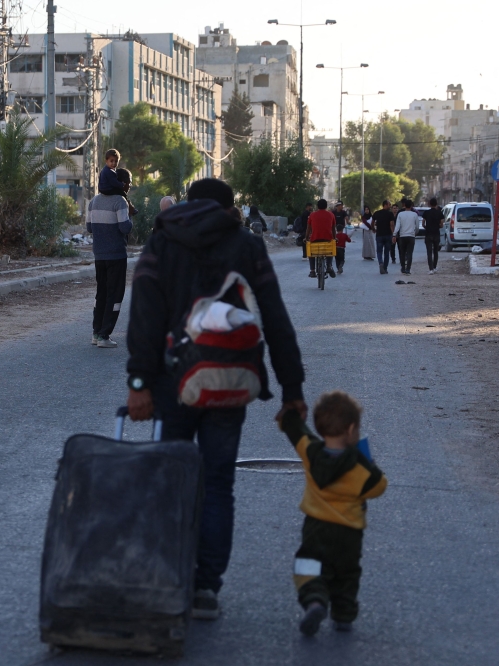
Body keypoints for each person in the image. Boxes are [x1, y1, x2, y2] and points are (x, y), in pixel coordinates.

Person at [126, 178, 307, 621]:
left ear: (189, 205)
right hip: (231, 381)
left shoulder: (161, 243)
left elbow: (145, 317)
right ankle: (206, 588)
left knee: (173, 478)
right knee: (219, 483)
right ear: (229, 209)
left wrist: (139, 384)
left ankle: (170, 575)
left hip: (173, 384)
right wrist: (292, 391)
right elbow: (276, 320)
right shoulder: (247, 246)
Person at [279, 391, 387, 636]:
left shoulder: (312, 452)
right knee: (347, 573)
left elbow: (298, 433)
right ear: (351, 430)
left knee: (308, 566)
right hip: (350, 533)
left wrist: (288, 416)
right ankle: (343, 615)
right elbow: (379, 486)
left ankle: (315, 601)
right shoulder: (360, 467)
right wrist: (367, 459)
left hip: (316, 527)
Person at [86, 168, 133, 348]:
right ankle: (105, 335)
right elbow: (125, 228)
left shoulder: (94, 201)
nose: (129, 185)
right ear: (120, 183)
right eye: (128, 181)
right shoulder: (120, 202)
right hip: (116, 256)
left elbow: (89, 228)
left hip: (99, 256)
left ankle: (96, 333)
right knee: (114, 296)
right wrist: (130, 214)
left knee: (102, 294)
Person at [307, 199, 337, 279]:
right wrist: (334, 238)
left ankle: (312, 270)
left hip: (315, 239)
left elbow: (308, 229)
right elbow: (333, 229)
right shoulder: (331, 215)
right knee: (330, 249)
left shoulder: (312, 215)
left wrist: (306, 238)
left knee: (311, 251)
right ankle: (329, 266)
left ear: (317, 206)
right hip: (327, 239)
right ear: (326, 206)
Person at [393, 199, 420, 275]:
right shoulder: (414, 215)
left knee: (402, 253)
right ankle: (408, 269)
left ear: (404, 205)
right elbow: (417, 227)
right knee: (410, 253)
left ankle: (403, 268)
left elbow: (397, 226)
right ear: (411, 206)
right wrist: (415, 233)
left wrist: (394, 235)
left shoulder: (400, 214)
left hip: (402, 236)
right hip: (411, 236)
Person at [422, 197, 445, 274]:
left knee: (429, 252)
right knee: (435, 251)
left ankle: (430, 269)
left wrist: (426, 227)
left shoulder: (426, 212)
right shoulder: (439, 213)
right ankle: (434, 267)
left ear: (429, 204)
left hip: (428, 234)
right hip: (436, 234)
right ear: (436, 204)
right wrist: (438, 226)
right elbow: (442, 224)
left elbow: (423, 223)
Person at [372, 200, 395, 275]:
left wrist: (373, 229)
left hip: (379, 235)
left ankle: (380, 263)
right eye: (389, 204)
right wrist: (393, 234)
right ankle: (385, 268)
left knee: (379, 251)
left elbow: (372, 222)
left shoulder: (377, 213)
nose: (390, 206)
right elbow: (391, 224)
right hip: (388, 235)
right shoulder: (390, 214)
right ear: (385, 205)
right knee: (386, 253)